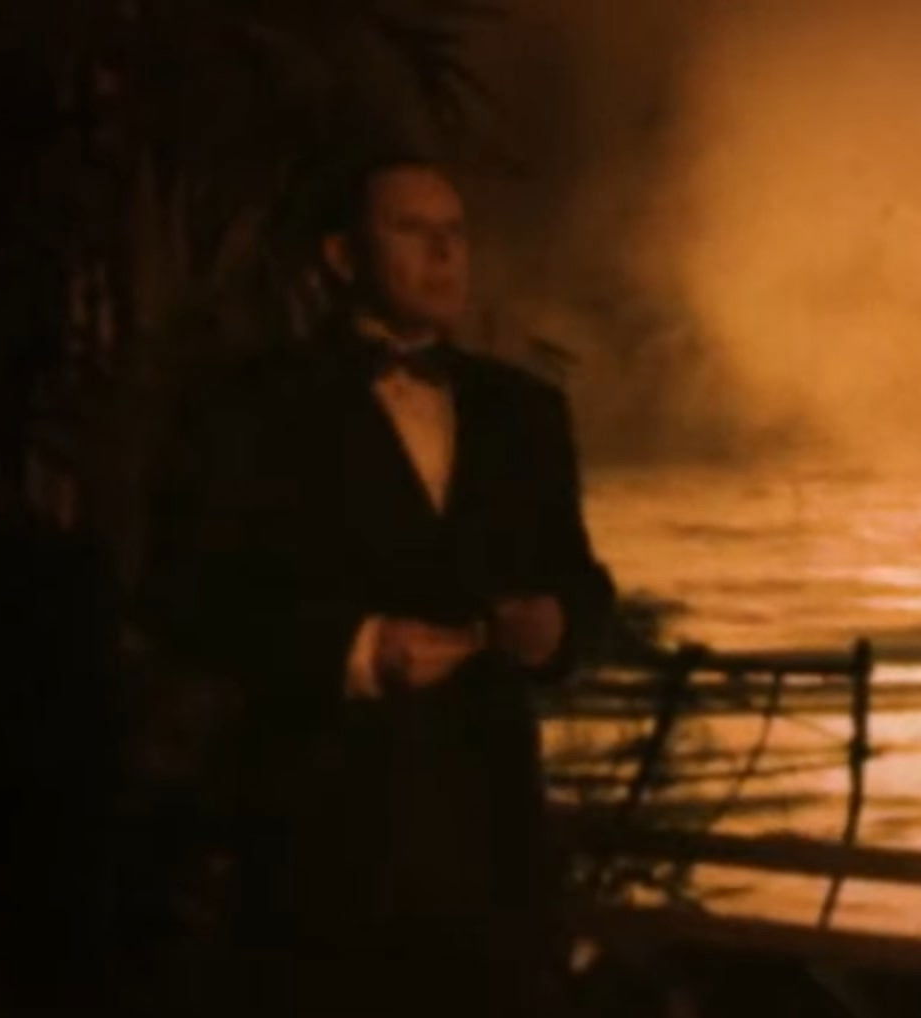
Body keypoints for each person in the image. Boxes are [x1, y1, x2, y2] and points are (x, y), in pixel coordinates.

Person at [140, 156, 616, 1015]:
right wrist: (356, 649)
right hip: (321, 837)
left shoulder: (524, 411)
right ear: (342, 255)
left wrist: (558, 626)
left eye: (456, 232)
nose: (445, 253)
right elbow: (184, 595)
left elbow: (579, 579)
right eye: (412, 229)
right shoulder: (255, 406)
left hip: (490, 845)